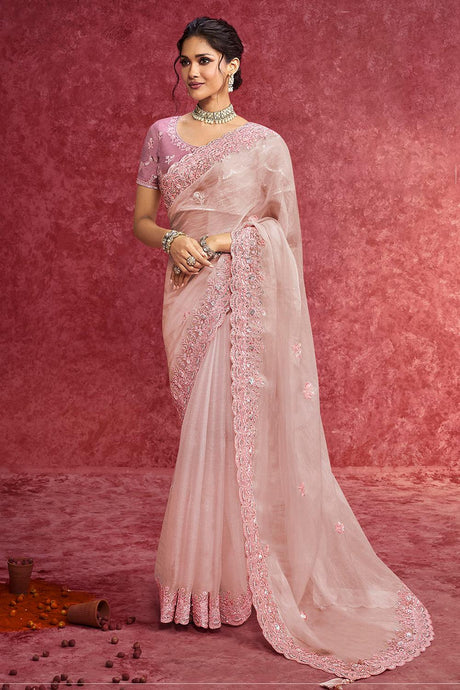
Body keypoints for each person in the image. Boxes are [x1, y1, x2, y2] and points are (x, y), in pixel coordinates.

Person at [133, 16, 434, 688]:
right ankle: (202, 583)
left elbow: (282, 237)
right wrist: (171, 242)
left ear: (234, 66)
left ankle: (229, 584)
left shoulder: (267, 145)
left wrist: (222, 243)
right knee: (201, 433)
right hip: (186, 294)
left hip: (242, 298)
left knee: (227, 430)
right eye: (185, 62)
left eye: (205, 61)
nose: (192, 73)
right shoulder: (161, 134)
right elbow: (143, 221)